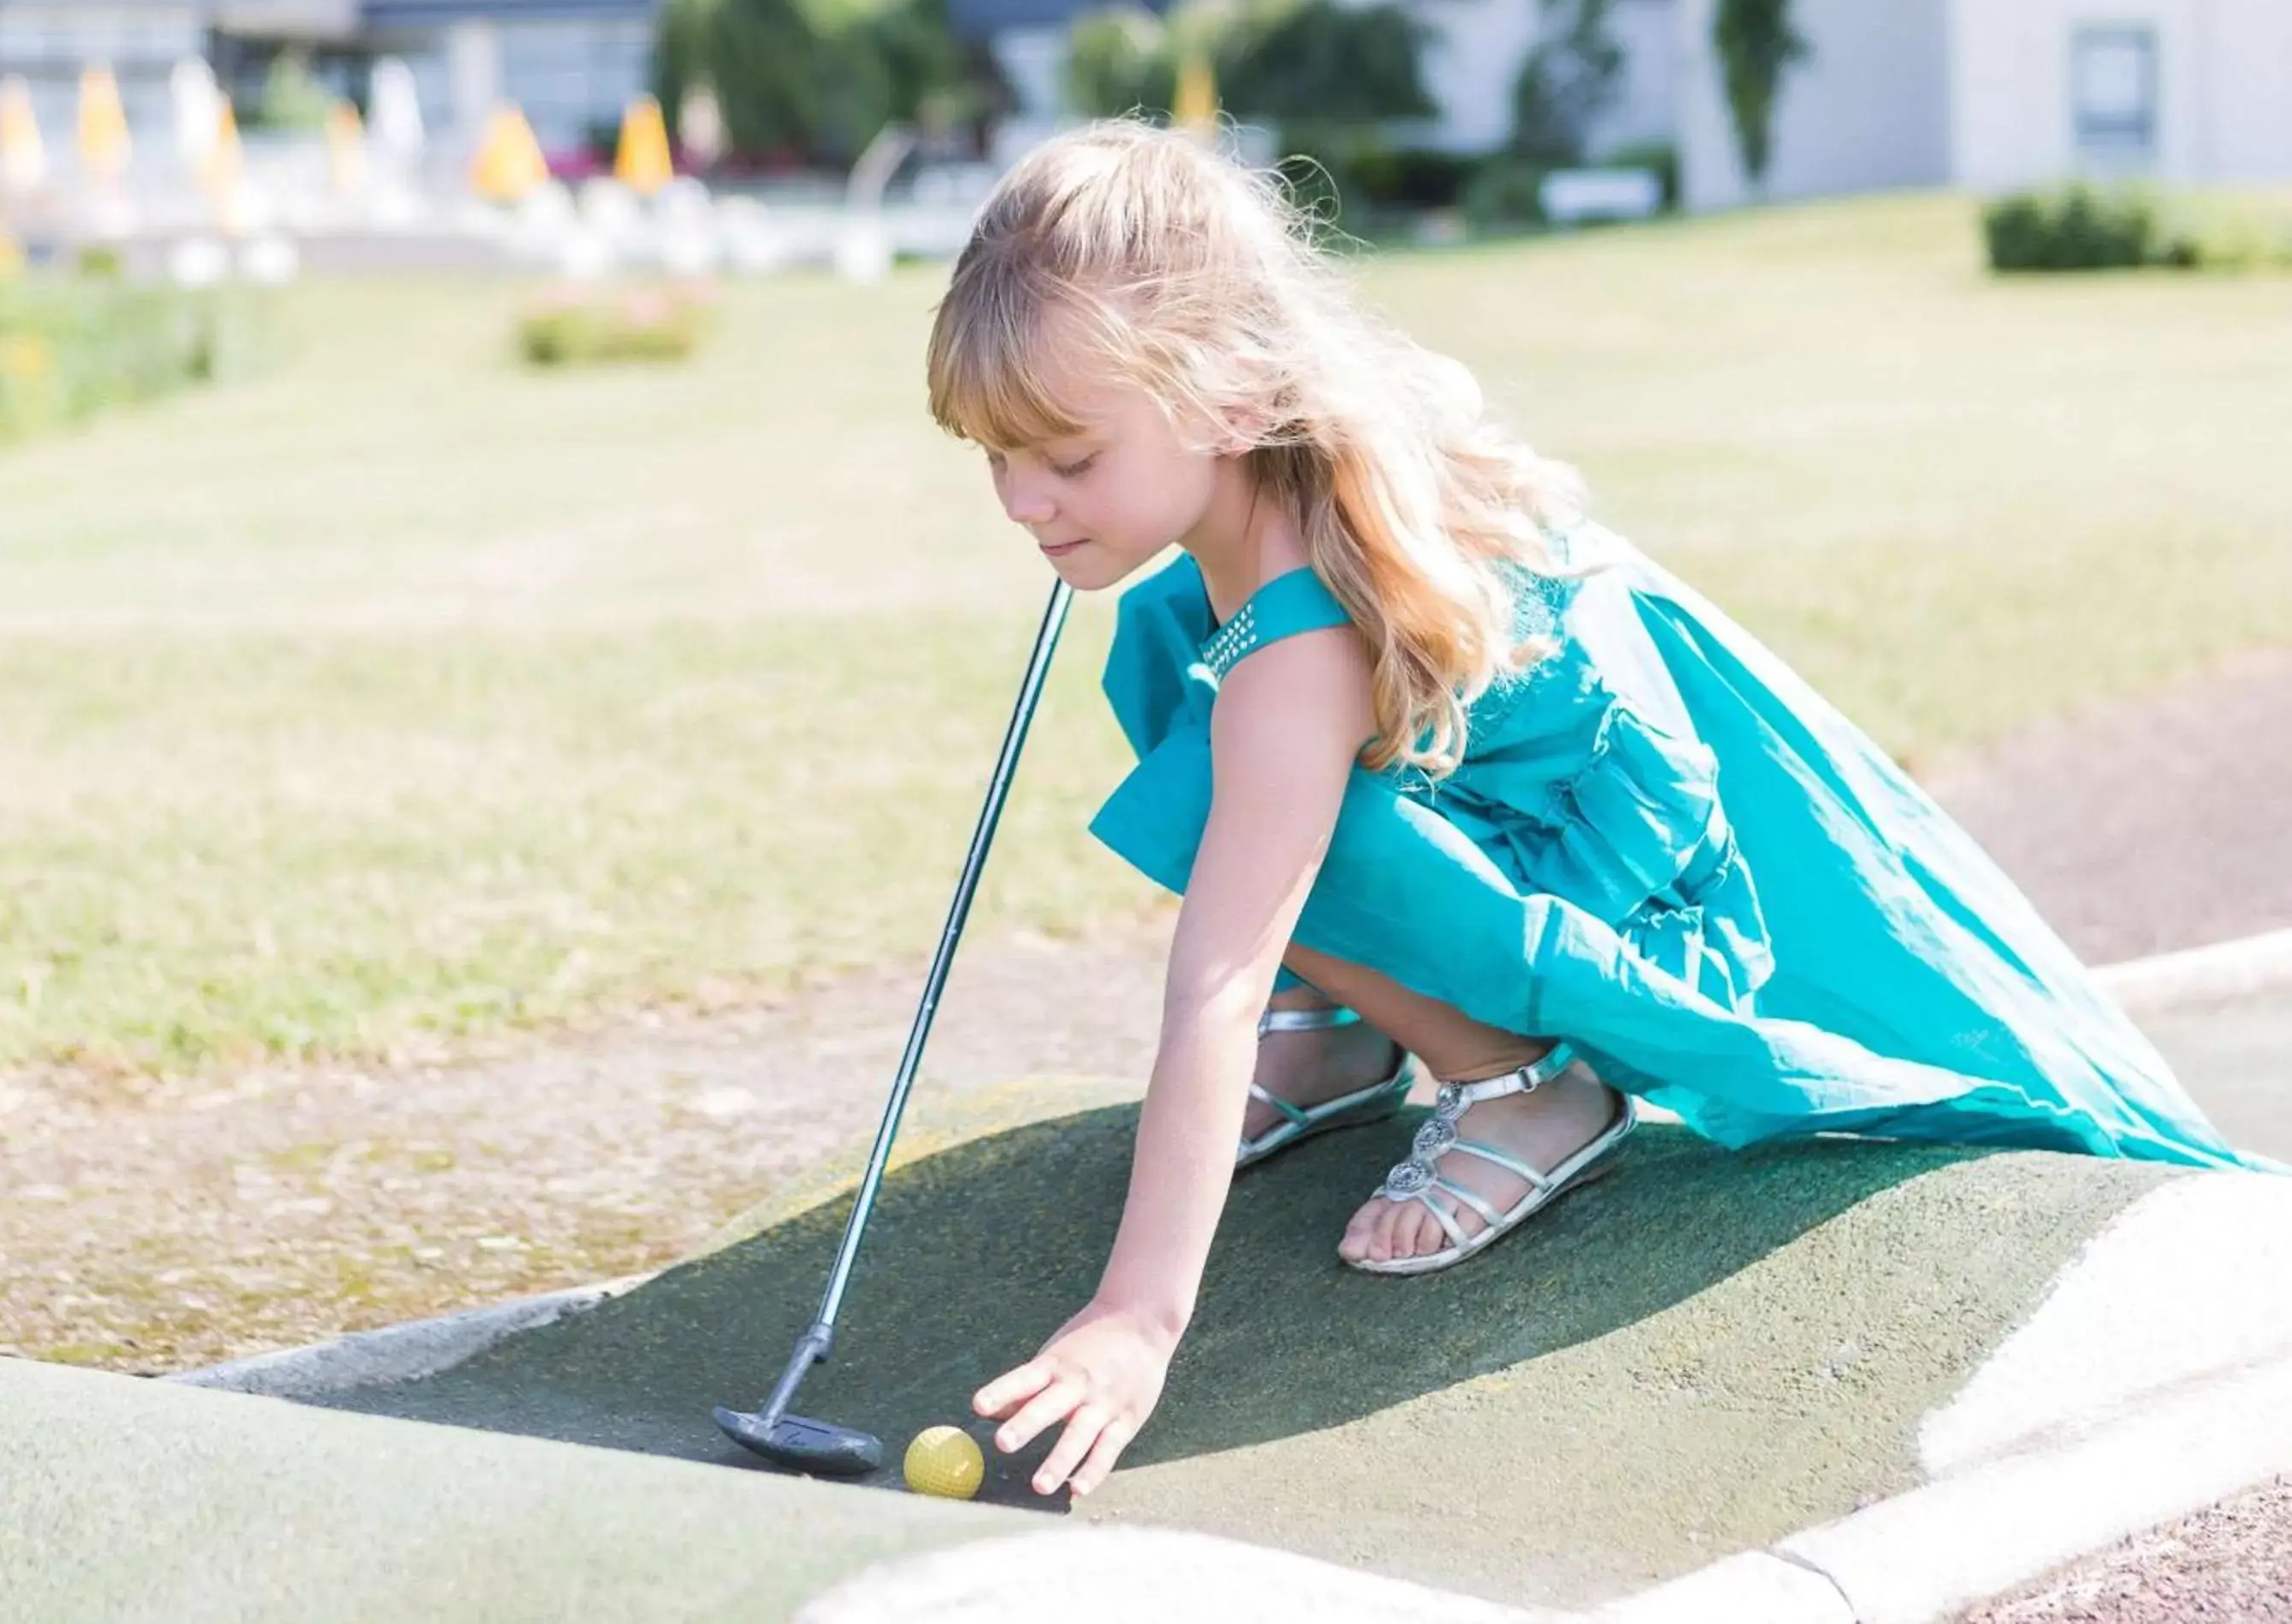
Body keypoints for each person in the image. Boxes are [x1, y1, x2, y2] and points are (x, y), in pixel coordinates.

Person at [921, 118, 2259, 1504]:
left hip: (1617, 901)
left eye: (1069, 456)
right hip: (1491, 823)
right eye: (996, 453)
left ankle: (1524, 1085)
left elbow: (1213, 979)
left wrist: (1137, 1318)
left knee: (1232, 788)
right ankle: (1342, 1038)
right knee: (1169, 671)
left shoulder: (1295, 652)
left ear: (1237, 402)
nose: (1023, 500)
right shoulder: (1250, 518)